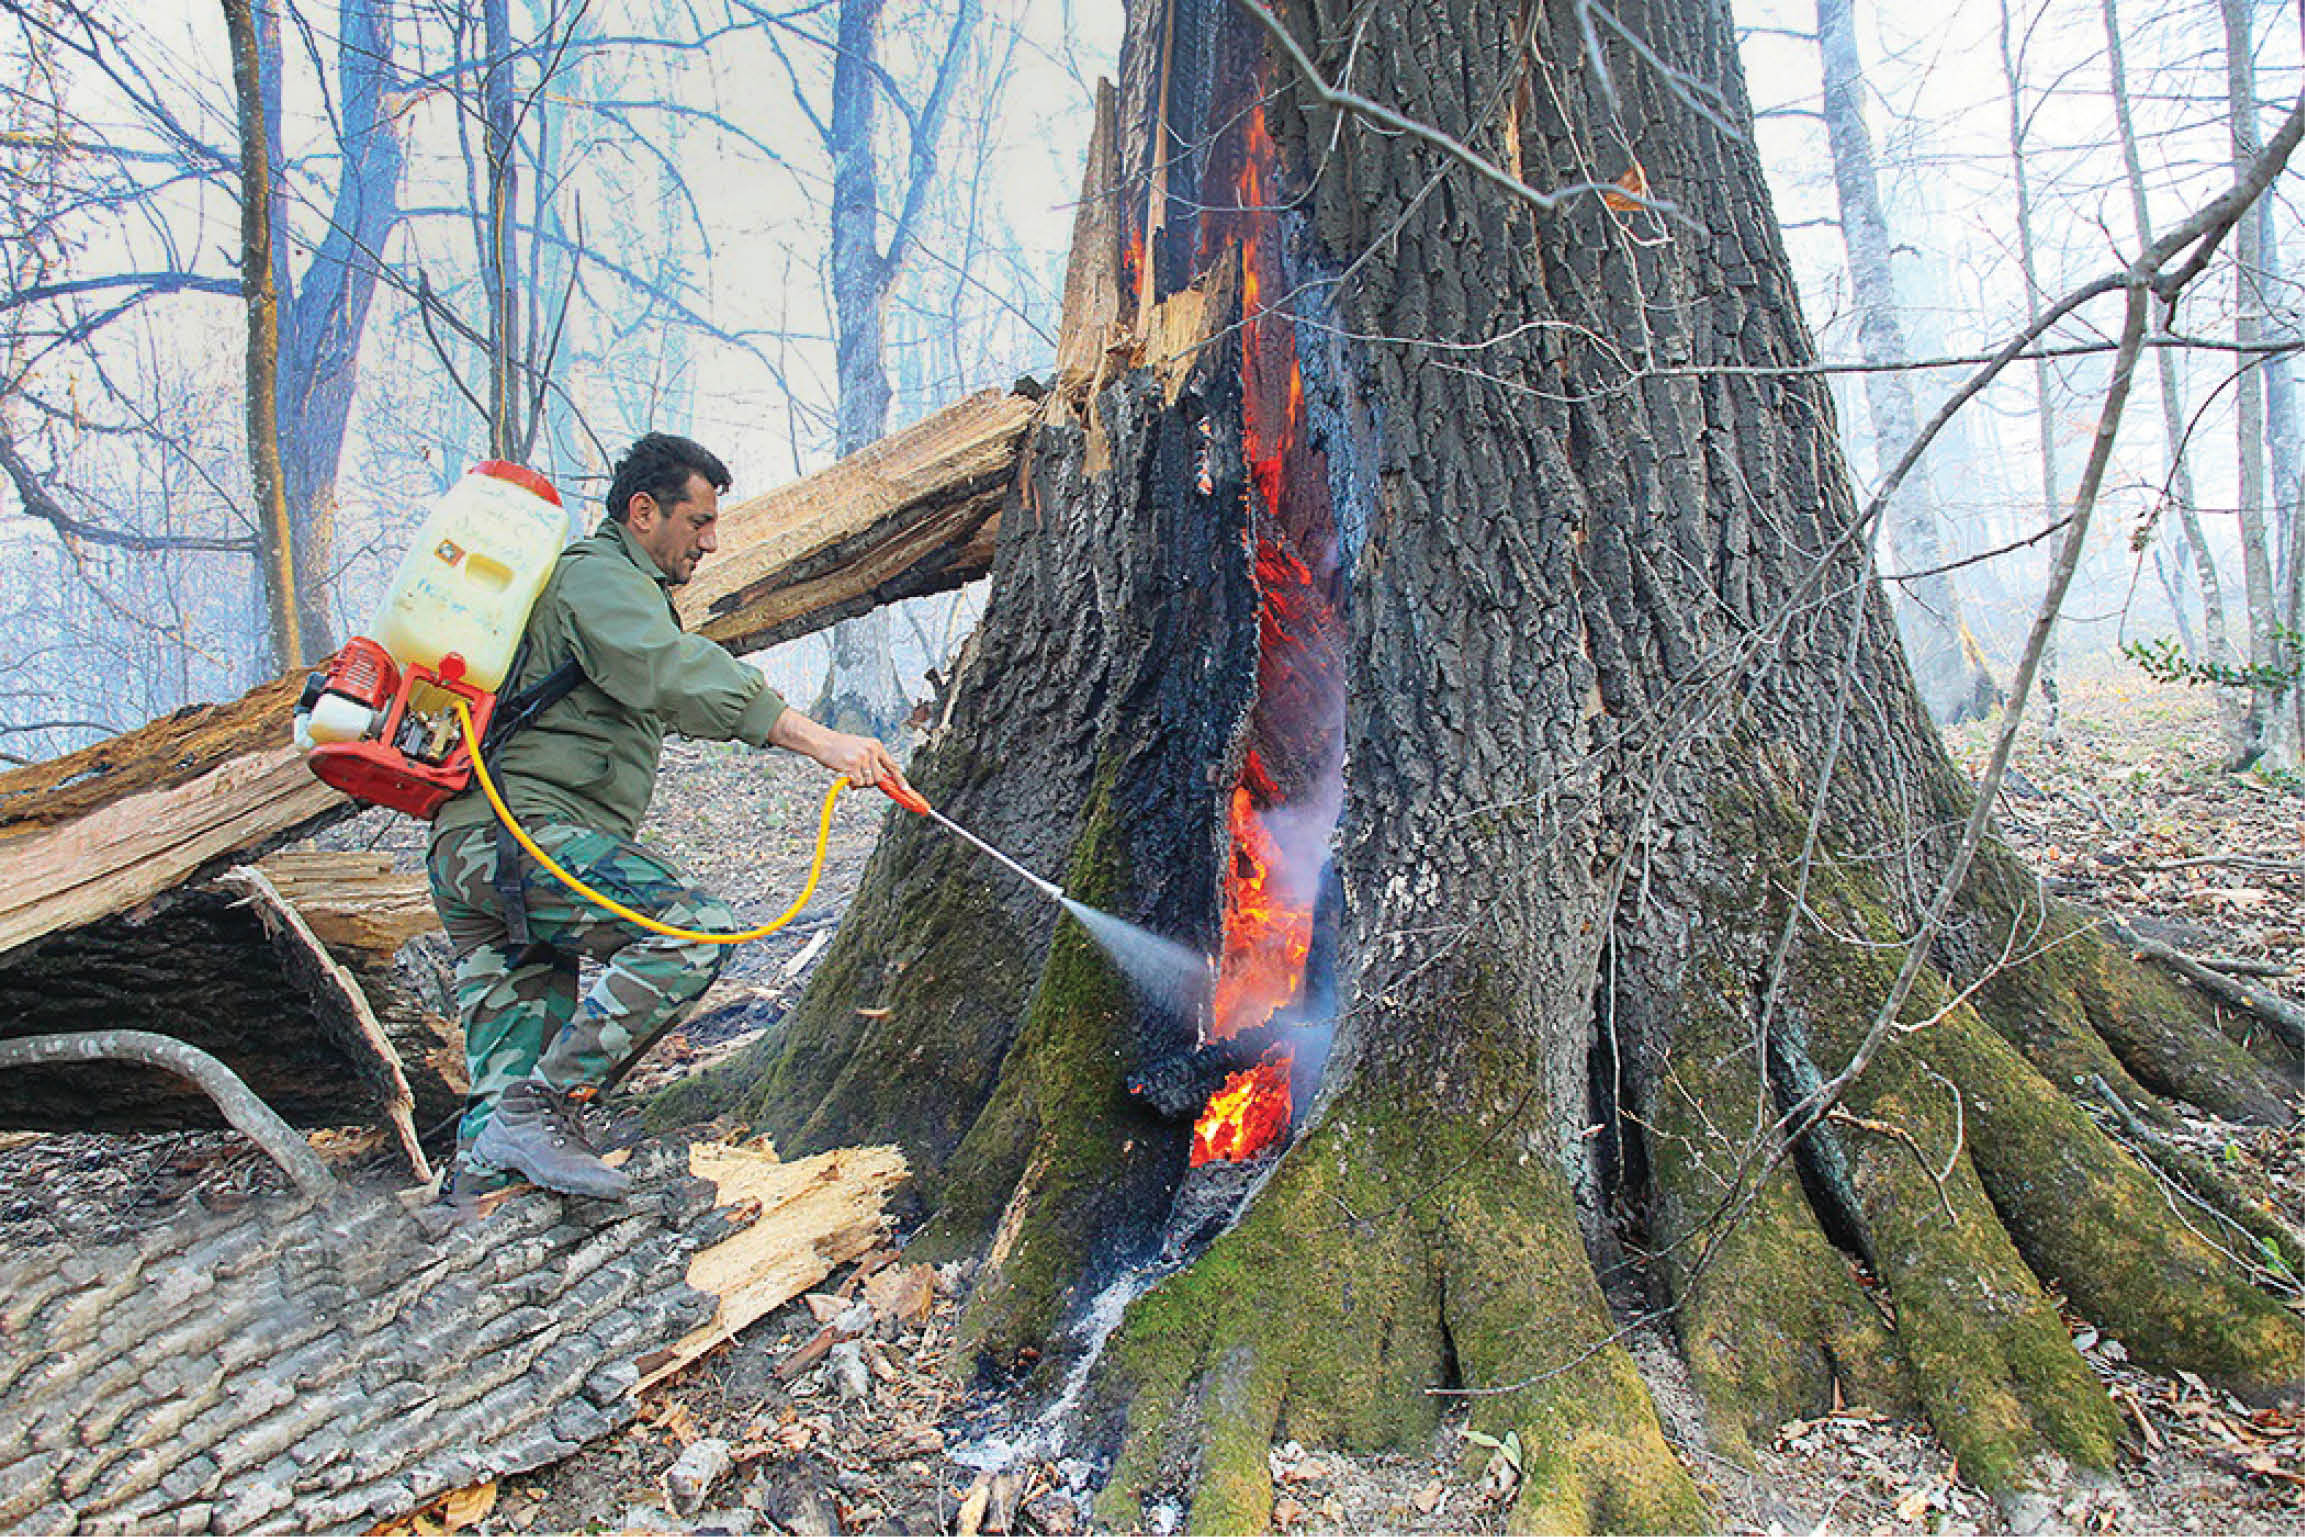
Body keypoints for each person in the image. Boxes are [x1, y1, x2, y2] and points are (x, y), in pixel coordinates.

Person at [427, 432, 907, 1200]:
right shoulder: (598, 576)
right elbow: (670, 671)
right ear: (643, 511)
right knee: (694, 929)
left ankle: (470, 1207)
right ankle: (541, 1108)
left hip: (475, 848)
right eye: (698, 521)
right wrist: (818, 739)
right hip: (518, 836)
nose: (710, 541)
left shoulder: (598, 586)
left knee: (510, 1064)